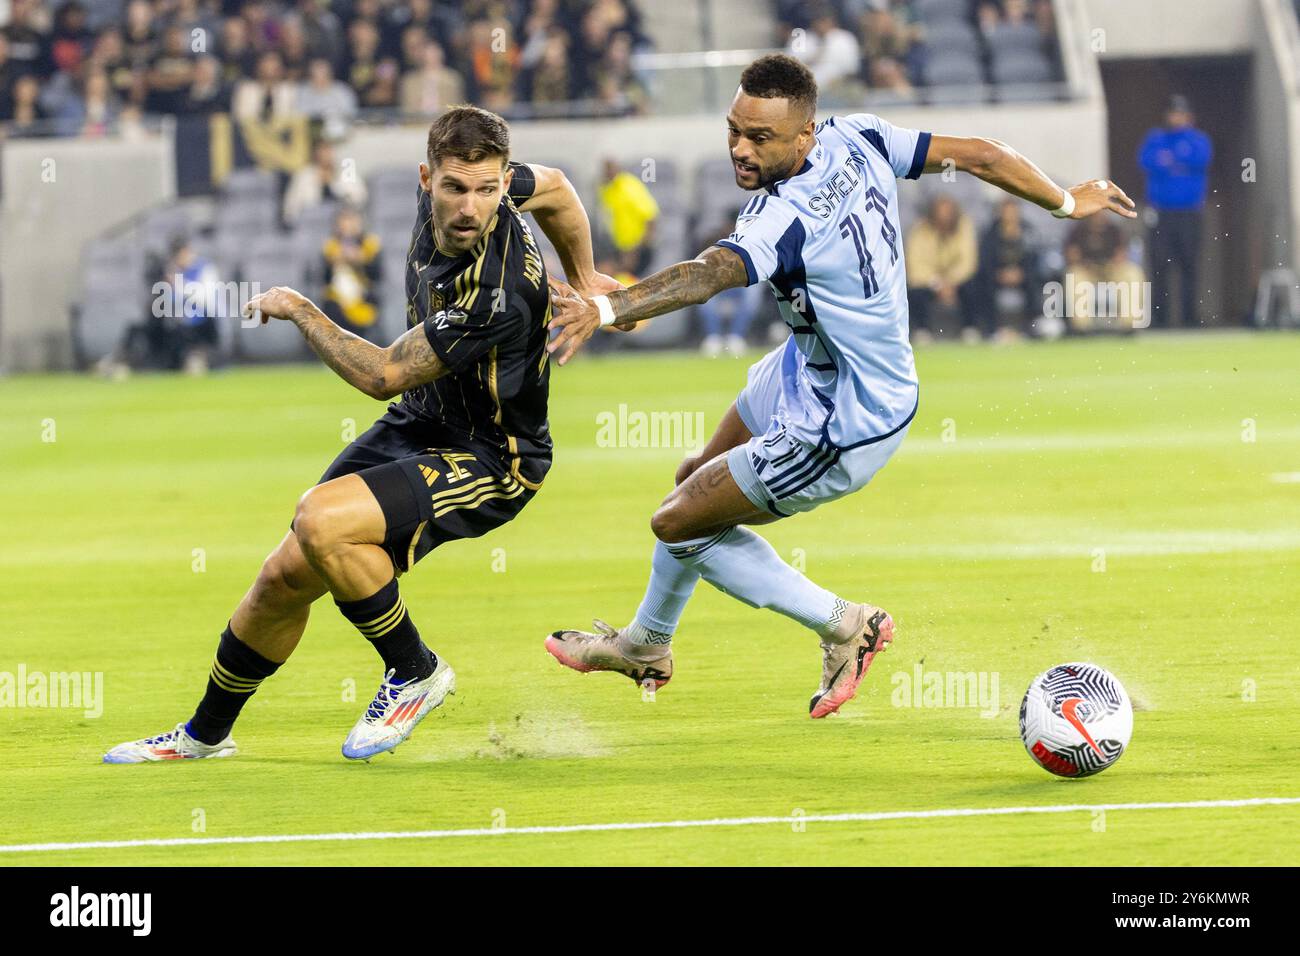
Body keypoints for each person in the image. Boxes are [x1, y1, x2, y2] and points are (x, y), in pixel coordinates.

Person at [543, 53, 1135, 717]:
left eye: (760, 138)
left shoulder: (783, 217)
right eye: (734, 130)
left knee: (677, 522)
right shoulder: (862, 135)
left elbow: (712, 272)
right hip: (809, 363)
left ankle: (845, 625)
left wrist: (610, 308)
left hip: (846, 413)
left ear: (805, 135)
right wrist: (1064, 201)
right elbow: (980, 154)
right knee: (695, 473)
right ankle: (648, 642)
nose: (740, 148)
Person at [103, 106, 619, 763]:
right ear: (426, 176)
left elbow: (381, 375)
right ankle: (203, 736)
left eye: (487, 191)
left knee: (321, 523)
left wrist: (299, 308)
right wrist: (583, 273)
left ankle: (415, 671)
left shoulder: (495, 295)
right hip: (424, 421)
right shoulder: (498, 181)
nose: (472, 206)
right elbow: (560, 189)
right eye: (457, 188)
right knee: (284, 576)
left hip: (492, 457)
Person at [1138, 94, 1211, 328]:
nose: (1175, 117)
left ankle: (1189, 317)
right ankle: (1160, 318)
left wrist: (1170, 160)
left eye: (1179, 113)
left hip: (1189, 212)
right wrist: (1177, 161)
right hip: (1161, 212)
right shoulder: (1156, 138)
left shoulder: (1198, 139)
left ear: (1189, 116)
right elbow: (1146, 161)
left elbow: (1200, 159)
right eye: (1172, 112)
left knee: (1189, 264)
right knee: (1159, 266)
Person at [905, 194, 980, 342]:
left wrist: (950, 281)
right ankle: (922, 331)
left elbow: (968, 261)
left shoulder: (964, 226)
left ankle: (970, 329)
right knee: (915, 291)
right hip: (930, 282)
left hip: (956, 281)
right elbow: (915, 264)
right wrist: (937, 283)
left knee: (974, 285)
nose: (944, 217)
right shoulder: (920, 230)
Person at [975, 196, 1041, 339]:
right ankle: (991, 329)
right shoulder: (990, 233)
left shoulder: (1028, 232)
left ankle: (1031, 327)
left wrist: (1021, 274)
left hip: (1022, 276)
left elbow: (1034, 258)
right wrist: (1000, 274)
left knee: (1034, 281)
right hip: (997, 277)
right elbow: (985, 261)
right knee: (982, 284)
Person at [320, 205, 382, 341]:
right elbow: (324, 278)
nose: (347, 225)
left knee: (371, 305)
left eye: (351, 220)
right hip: (337, 299)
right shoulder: (331, 246)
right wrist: (333, 262)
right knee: (329, 306)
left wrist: (361, 261)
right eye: (344, 221)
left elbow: (377, 275)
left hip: (363, 295)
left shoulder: (370, 244)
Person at [597, 157, 659, 276]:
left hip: (637, 250)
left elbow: (651, 217)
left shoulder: (629, 187)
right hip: (620, 248)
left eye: (610, 168)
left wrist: (637, 250)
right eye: (605, 169)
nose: (608, 172)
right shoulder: (608, 189)